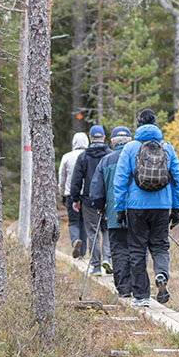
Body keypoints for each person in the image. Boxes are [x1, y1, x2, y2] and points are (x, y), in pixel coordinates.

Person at [113, 109, 179, 307]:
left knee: (137, 249)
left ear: (138, 125)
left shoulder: (130, 148)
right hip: (162, 206)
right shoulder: (167, 147)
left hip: (136, 207)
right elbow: (178, 179)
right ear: (155, 124)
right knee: (160, 246)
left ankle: (141, 296)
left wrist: (119, 209)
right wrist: (176, 208)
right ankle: (161, 274)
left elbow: (120, 181)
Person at [90, 126, 134, 296]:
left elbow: (96, 190)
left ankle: (123, 289)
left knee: (119, 250)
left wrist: (100, 207)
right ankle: (138, 287)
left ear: (113, 142)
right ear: (130, 141)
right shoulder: (137, 157)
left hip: (115, 214)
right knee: (137, 250)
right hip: (138, 213)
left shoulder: (106, 161)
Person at [71, 125, 112, 276]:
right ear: (104, 138)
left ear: (90, 138)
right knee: (107, 229)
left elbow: (76, 180)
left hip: (89, 201)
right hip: (108, 200)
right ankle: (107, 257)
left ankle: (95, 266)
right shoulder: (110, 155)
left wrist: (75, 199)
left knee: (92, 232)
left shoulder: (84, 156)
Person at [59, 132, 89, 258]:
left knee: (73, 222)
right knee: (84, 223)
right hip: (86, 195)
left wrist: (62, 192)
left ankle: (75, 240)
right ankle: (82, 253)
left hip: (70, 194)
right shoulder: (89, 156)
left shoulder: (67, 157)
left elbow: (62, 176)